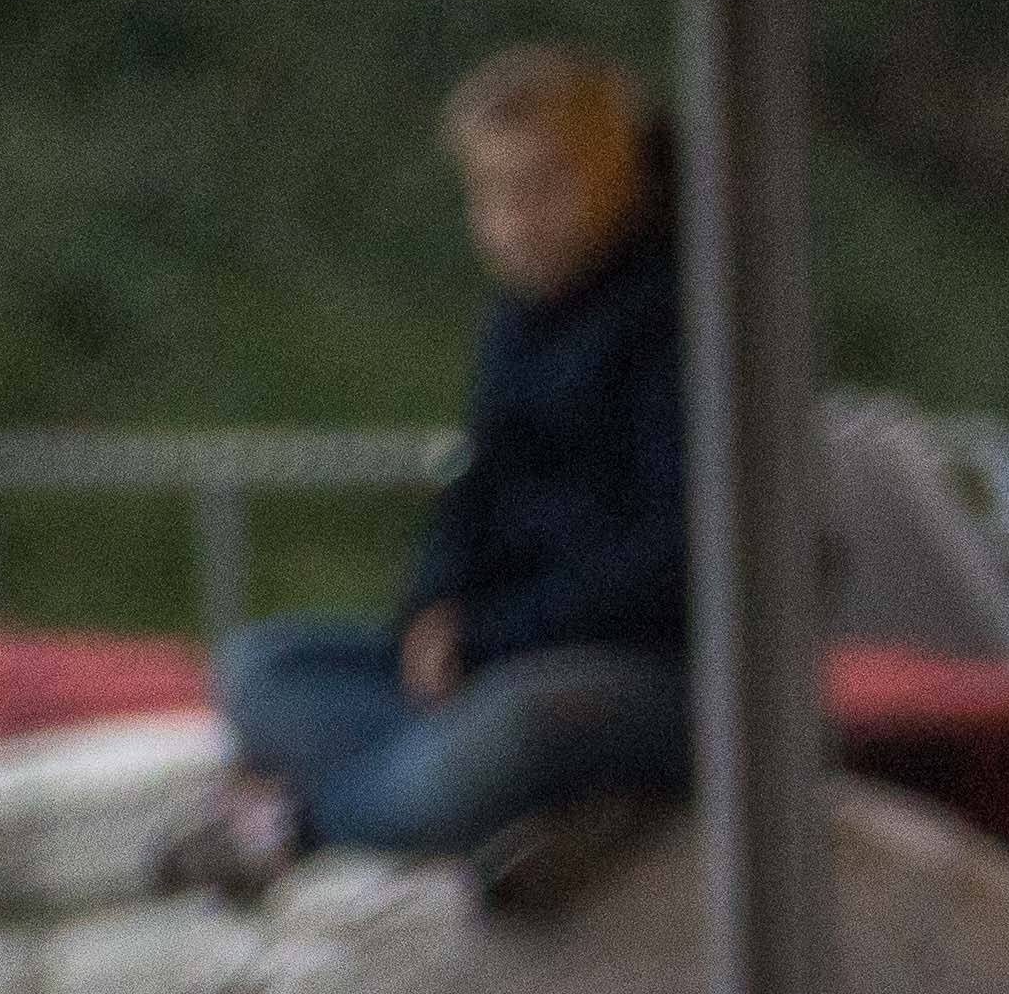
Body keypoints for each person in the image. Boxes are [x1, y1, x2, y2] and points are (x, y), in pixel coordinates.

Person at [179, 44, 696, 901]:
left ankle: (295, 824)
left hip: (630, 672)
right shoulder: (517, 324)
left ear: (613, 180)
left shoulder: (682, 321)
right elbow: (479, 493)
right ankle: (519, 816)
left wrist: (494, 637)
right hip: (495, 658)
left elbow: (676, 555)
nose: (519, 219)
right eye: (494, 194)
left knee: (504, 740)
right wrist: (434, 607)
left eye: (546, 187)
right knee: (262, 671)